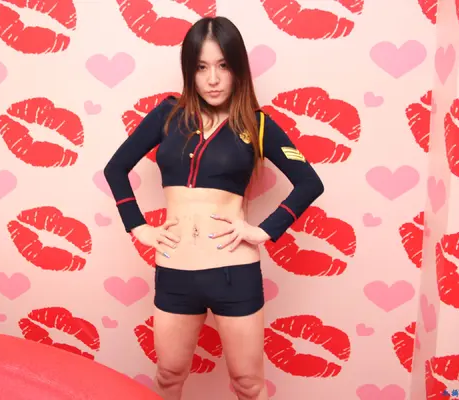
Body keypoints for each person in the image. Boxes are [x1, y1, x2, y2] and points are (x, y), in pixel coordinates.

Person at [103, 16, 324, 400]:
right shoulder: (167, 115)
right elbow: (115, 168)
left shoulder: (256, 125)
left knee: (248, 384)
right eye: (202, 67)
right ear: (189, 71)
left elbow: (309, 182)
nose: (214, 79)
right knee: (168, 376)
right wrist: (138, 227)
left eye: (223, 65)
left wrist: (264, 230)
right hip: (175, 270)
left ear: (238, 68)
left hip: (233, 271)